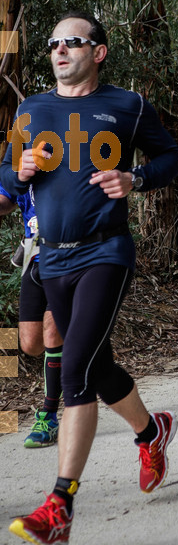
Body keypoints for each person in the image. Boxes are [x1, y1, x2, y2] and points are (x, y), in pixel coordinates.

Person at [0, 12, 178, 544]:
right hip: (50, 258)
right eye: (54, 43)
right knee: (97, 365)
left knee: (75, 363)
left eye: (72, 42)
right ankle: (152, 432)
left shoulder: (127, 106)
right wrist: (18, 172)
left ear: (98, 52)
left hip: (106, 251)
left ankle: (60, 505)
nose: (59, 50)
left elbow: (171, 156)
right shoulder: (32, 110)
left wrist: (137, 177)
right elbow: (6, 175)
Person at [0, 185, 64, 447]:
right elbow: (6, 200)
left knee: (52, 331)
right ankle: (77, 348)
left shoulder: (70, 151)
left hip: (68, 254)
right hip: (33, 254)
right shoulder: (20, 158)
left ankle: (48, 415)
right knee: (30, 343)